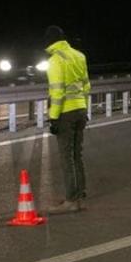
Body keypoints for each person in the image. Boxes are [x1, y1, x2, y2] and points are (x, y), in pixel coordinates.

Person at [44, 25, 91, 213]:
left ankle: (71, 200)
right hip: (80, 109)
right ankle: (80, 194)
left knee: (66, 157)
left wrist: (53, 118)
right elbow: (86, 86)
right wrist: (84, 107)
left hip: (65, 113)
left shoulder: (56, 60)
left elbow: (57, 92)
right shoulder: (79, 56)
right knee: (77, 155)